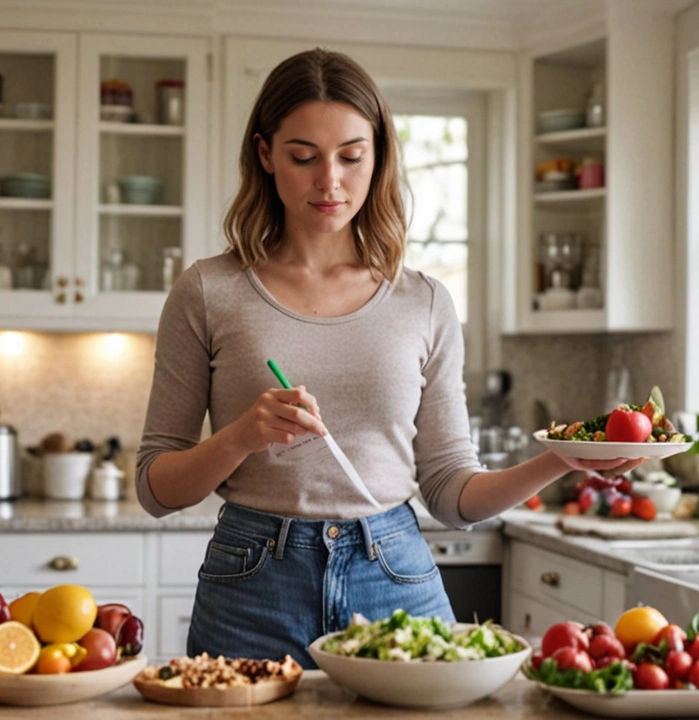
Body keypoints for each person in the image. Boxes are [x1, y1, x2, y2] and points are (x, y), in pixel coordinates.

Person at [135, 48, 643, 668]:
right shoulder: (208, 292)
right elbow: (155, 488)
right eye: (304, 157)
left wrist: (560, 459)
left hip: (394, 579)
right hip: (253, 585)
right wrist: (241, 437)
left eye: (352, 156)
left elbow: (454, 497)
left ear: (378, 157)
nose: (330, 181)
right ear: (265, 154)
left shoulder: (424, 302)